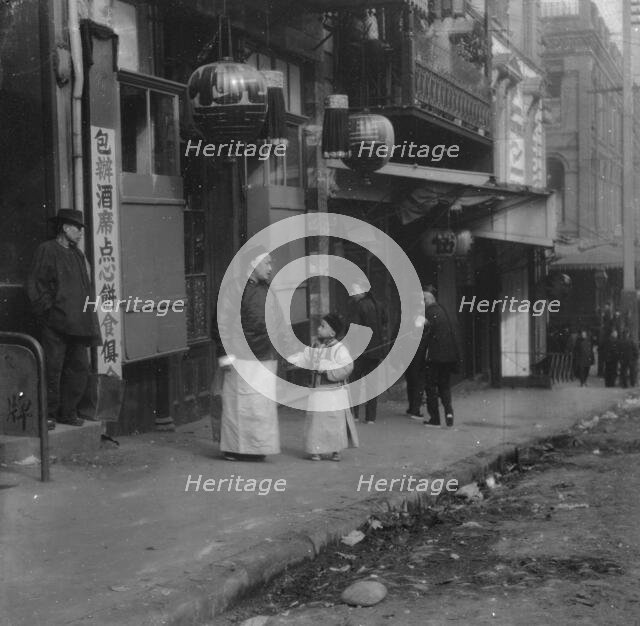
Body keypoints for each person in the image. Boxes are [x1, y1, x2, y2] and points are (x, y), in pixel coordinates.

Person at [27, 209, 101, 430]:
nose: (80, 233)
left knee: (79, 369)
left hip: (79, 324)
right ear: (65, 228)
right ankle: (48, 414)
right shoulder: (47, 250)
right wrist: (49, 313)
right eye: (77, 228)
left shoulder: (77, 254)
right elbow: (35, 285)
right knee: (52, 369)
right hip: (56, 324)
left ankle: (67, 413)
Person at [215, 248, 285, 461]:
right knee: (237, 405)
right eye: (267, 263)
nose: (271, 268)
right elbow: (221, 323)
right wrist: (224, 355)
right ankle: (233, 449)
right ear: (253, 265)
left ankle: (258, 448)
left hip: (265, 355)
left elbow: (279, 322)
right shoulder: (234, 288)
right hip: (240, 356)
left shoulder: (269, 290)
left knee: (260, 406)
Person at [288, 313, 359, 461]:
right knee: (316, 422)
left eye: (323, 326)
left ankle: (336, 450)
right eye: (319, 325)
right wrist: (293, 360)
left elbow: (347, 368)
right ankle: (315, 449)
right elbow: (305, 358)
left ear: (332, 332)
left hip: (334, 393)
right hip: (317, 393)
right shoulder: (315, 346)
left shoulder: (340, 349)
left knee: (334, 421)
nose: (319, 329)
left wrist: (328, 370)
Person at [347, 278, 387, 424]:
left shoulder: (358, 306)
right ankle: (371, 417)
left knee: (355, 382)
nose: (352, 293)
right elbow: (384, 322)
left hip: (360, 351)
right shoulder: (379, 304)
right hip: (376, 351)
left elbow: (355, 329)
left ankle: (354, 415)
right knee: (372, 384)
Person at [422, 288, 460, 428]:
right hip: (448, 357)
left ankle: (435, 419)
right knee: (444, 386)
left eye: (423, 300)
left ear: (429, 300)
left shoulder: (429, 313)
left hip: (434, 357)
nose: (422, 303)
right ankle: (449, 415)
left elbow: (423, 332)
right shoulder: (444, 310)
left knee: (431, 386)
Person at [405, 287, 429, 418]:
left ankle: (411, 407)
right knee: (418, 381)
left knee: (411, 380)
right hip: (419, 353)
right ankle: (415, 409)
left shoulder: (409, 315)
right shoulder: (420, 317)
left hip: (409, 353)